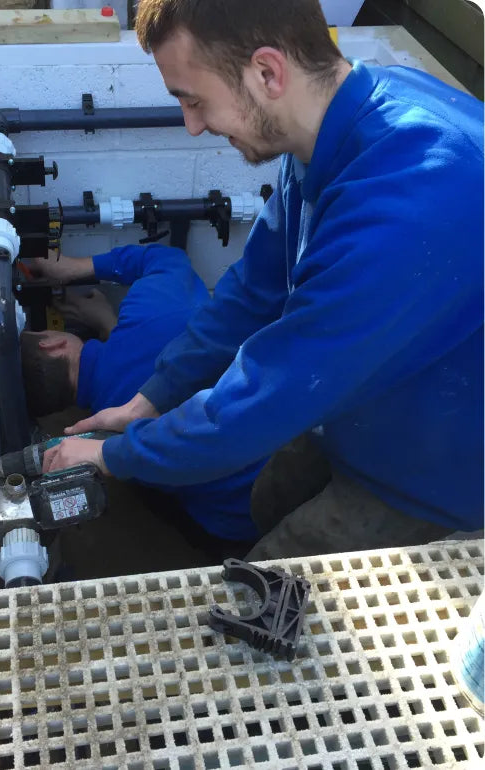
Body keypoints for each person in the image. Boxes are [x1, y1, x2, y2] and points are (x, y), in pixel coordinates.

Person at [41, 0, 484, 560]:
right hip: (353, 408)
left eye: (194, 100)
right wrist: (147, 402)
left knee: (257, 603)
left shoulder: (412, 200)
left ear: (268, 72)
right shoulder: (324, 132)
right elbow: (251, 294)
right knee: (265, 502)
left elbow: (262, 399)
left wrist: (110, 456)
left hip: (431, 471)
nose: (192, 126)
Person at [21, 243, 264, 552]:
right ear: (52, 344)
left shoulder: (110, 437)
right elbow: (167, 257)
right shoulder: (148, 311)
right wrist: (75, 266)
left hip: (237, 528)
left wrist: (107, 327)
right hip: (287, 451)